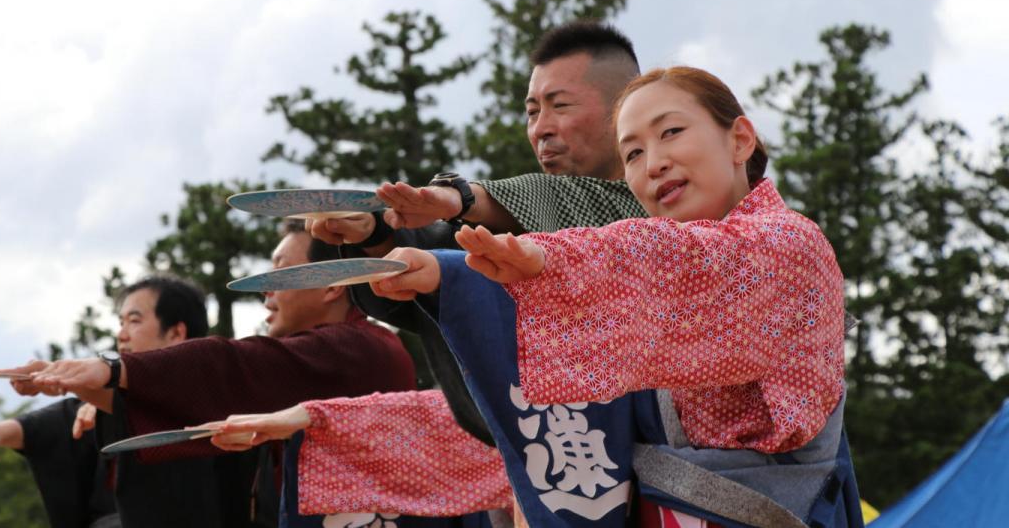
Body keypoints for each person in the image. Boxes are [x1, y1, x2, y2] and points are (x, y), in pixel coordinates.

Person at [295, 67, 861, 527]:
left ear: (740, 138)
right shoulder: (652, 287)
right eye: (633, 153)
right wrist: (318, 419)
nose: (653, 162)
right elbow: (520, 409)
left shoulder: (786, 244)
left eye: (670, 133)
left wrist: (543, 260)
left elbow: (663, 258)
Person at [3, 220, 417, 528]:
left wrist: (112, 370)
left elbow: (239, 367)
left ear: (332, 287)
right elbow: (202, 405)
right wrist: (95, 385)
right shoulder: (320, 355)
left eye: (279, 273)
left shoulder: (363, 349)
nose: (266, 290)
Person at [0, 276, 250, 528]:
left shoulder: (210, 388)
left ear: (176, 332)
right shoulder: (99, 404)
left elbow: (141, 402)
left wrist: (68, 379)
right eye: (120, 322)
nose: (121, 334)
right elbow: (52, 426)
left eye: (134, 321)